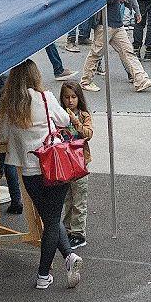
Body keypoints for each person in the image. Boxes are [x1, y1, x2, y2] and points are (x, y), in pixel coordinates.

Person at [0, 60, 83, 290]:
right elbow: (64, 121)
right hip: (55, 166)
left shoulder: (9, 105)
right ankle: (53, 268)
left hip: (30, 171)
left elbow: (2, 135)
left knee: (50, 219)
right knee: (52, 219)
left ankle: (58, 265)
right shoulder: (46, 98)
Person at [58, 81, 94, 249]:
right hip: (65, 162)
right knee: (68, 198)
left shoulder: (84, 115)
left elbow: (88, 134)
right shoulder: (59, 115)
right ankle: (67, 229)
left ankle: (78, 232)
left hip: (80, 163)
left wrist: (75, 121)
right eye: (67, 97)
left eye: (73, 97)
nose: (70, 101)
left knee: (79, 198)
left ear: (79, 98)